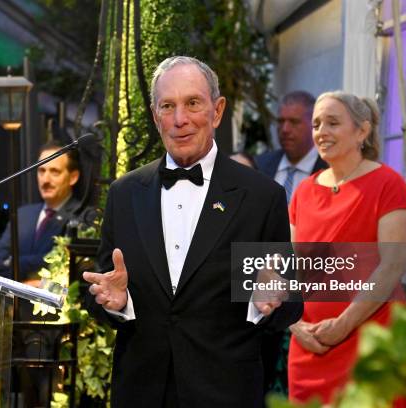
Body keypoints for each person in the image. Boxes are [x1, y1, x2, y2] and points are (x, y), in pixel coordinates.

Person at [83, 56, 302, 407]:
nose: (180, 119)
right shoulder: (125, 193)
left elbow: (290, 304)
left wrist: (267, 301)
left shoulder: (261, 196)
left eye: (193, 103)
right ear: (156, 117)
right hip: (141, 393)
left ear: (217, 111)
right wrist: (119, 303)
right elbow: (104, 290)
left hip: (226, 393)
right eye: (167, 106)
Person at [287, 91, 406, 404]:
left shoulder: (389, 184)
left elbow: (392, 266)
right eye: (317, 123)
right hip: (308, 348)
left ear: (362, 130)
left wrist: (343, 324)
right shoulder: (303, 191)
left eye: (332, 122)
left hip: (371, 347)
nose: (321, 132)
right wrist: (294, 324)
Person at [0, 140, 83, 288]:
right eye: (41, 171)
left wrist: (14, 261)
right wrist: (25, 284)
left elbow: (69, 265)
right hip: (16, 305)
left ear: (73, 177)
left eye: (54, 172)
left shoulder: (83, 216)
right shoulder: (22, 215)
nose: (45, 180)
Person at [255, 91, 327, 202]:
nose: (285, 129)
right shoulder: (259, 166)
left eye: (294, 122)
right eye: (281, 121)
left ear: (314, 125)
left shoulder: (331, 171)